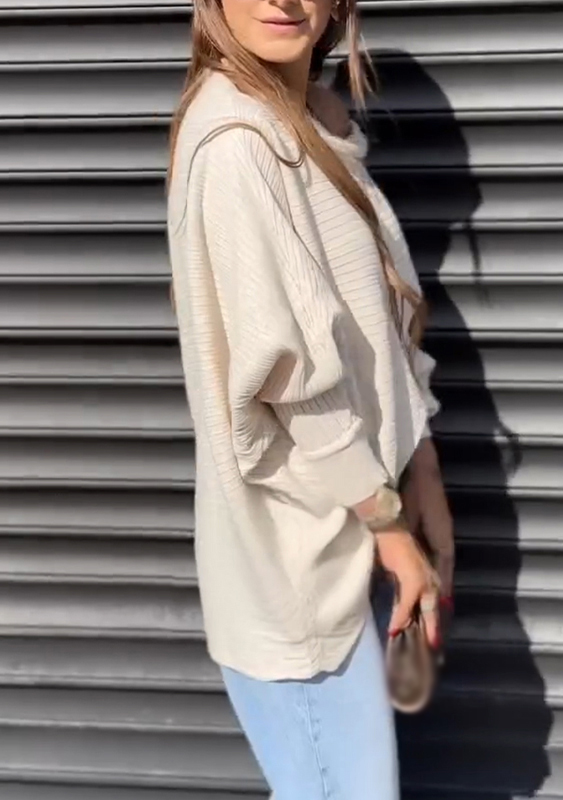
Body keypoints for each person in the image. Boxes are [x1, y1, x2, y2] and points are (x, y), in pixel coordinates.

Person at [167, 0, 454, 796]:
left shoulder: (308, 125)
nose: (283, 0)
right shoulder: (238, 141)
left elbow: (375, 338)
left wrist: (421, 471)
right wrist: (388, 524)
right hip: (294, 564)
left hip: (344, 534)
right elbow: (289, 374)